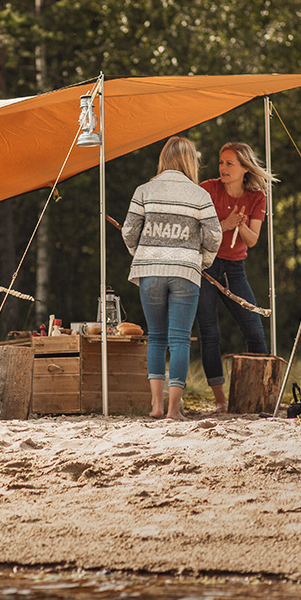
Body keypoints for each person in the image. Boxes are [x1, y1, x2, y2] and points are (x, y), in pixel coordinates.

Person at [122, 137, 221, 420]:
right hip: (185, 272)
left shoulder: (144, 190)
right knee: (179, 339)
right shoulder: (199, 194)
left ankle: (155, 405)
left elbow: (129, 231)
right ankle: (174, 410)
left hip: (150, 271)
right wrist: (201, 261)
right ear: (190, 161)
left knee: (156, 337)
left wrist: (140, 253)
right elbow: (214, 235)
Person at [195, 142, 276, 413]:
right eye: (221, 162)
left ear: (244, 168)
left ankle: (262, 393)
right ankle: (220, 400)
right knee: (209, 332)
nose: (223, 168)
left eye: (229, 163)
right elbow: (194, 231)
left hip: (234, 269)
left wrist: (239, 225)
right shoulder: (207, 189)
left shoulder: (256, 197)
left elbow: (252, 241)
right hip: (205, 266)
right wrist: (225, 225)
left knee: (254, 328)